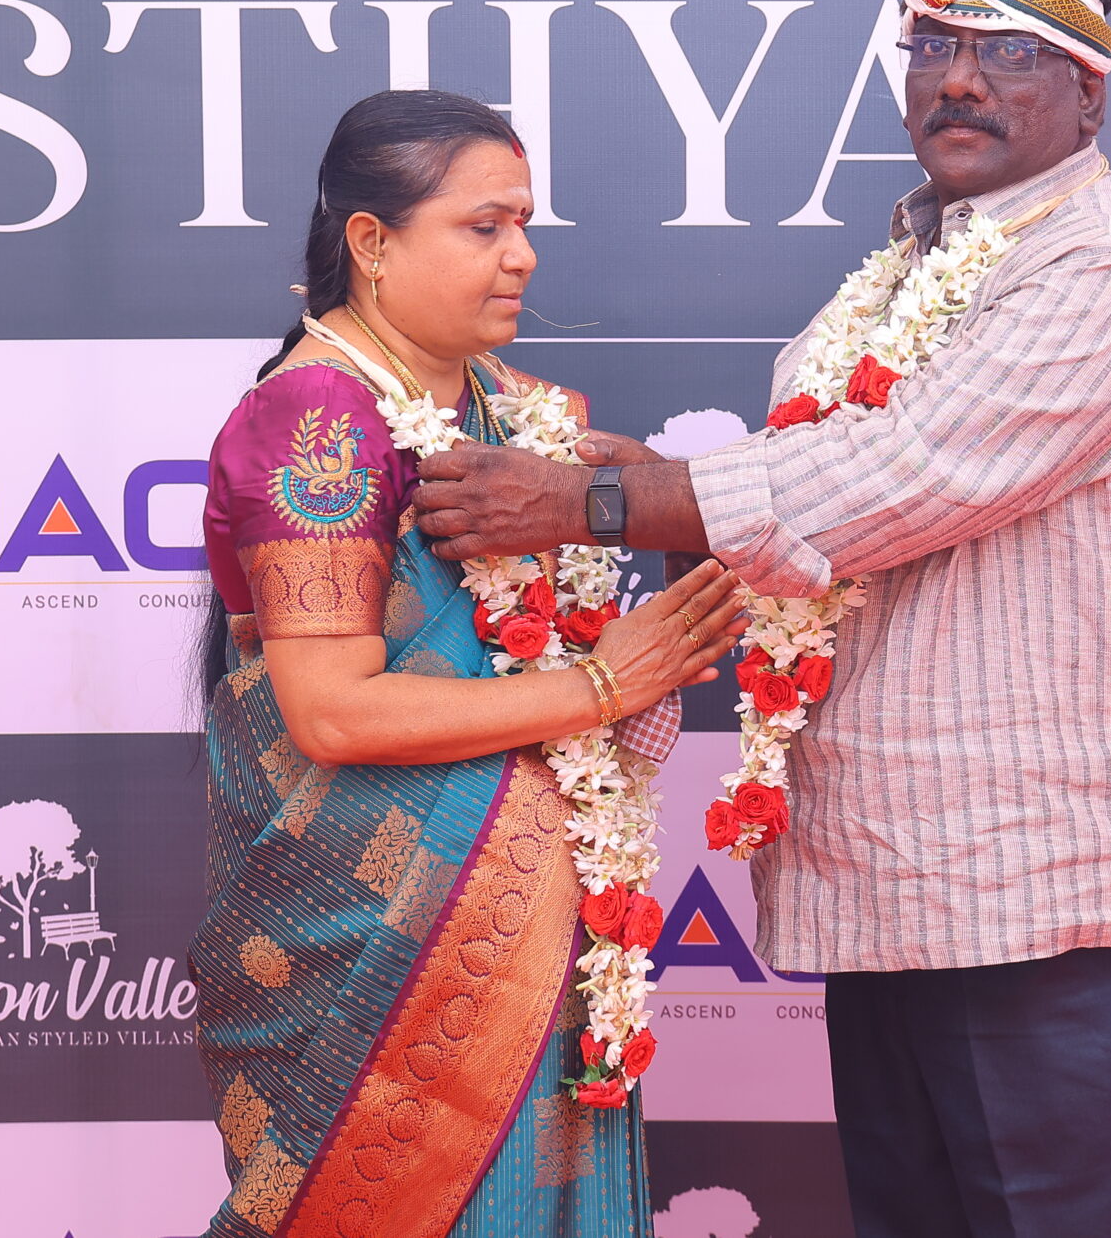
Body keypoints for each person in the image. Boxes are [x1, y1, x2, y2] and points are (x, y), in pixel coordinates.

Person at [410, 0, 1111, 1238]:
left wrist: (592, 499)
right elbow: (831, 483)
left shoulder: (1106, 267)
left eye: (1008, 51)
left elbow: (891, 477)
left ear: (1089, 93)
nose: (958, 77)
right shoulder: (913, 265)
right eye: (933, 43)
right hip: (903, 882)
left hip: (1060, 899)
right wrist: (631, 480)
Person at [191, 89, 747, 1238]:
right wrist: (603, 686)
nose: (521, 256)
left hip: (537, 938)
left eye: (523, 223)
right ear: (371, 242)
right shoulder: (318, 423)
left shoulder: (514, 417)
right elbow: (332, 714)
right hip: (376, 954)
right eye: (482, 226)